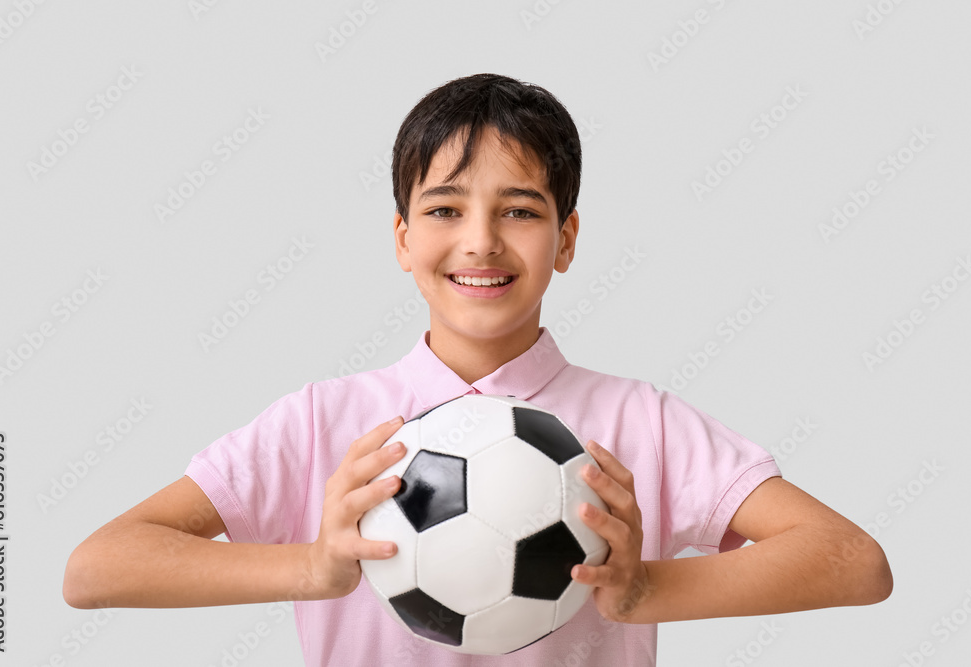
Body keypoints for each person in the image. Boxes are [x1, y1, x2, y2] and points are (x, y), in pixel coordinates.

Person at [63, 73, 893, 665]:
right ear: (401, 239)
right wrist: (313, 564)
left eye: (521, 211)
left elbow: (855, 561)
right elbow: (97, 567)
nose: (481, 241)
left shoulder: (639, 424)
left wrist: (646, 590)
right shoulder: (326, 422)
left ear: (566, 239)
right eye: (445, 209)